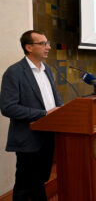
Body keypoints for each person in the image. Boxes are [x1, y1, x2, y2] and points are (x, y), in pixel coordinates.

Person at [0, 30, 63, 201]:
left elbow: (54, 98)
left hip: (48, 136)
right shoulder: (14, 72)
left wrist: (63, 109)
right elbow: (8, 107)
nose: (48, 47)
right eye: (42, 43)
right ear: (28, 47)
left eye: (47, 43)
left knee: (40, 180)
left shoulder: (47, 69)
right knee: (24, 186)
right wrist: (43, 114)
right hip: (28, 138)